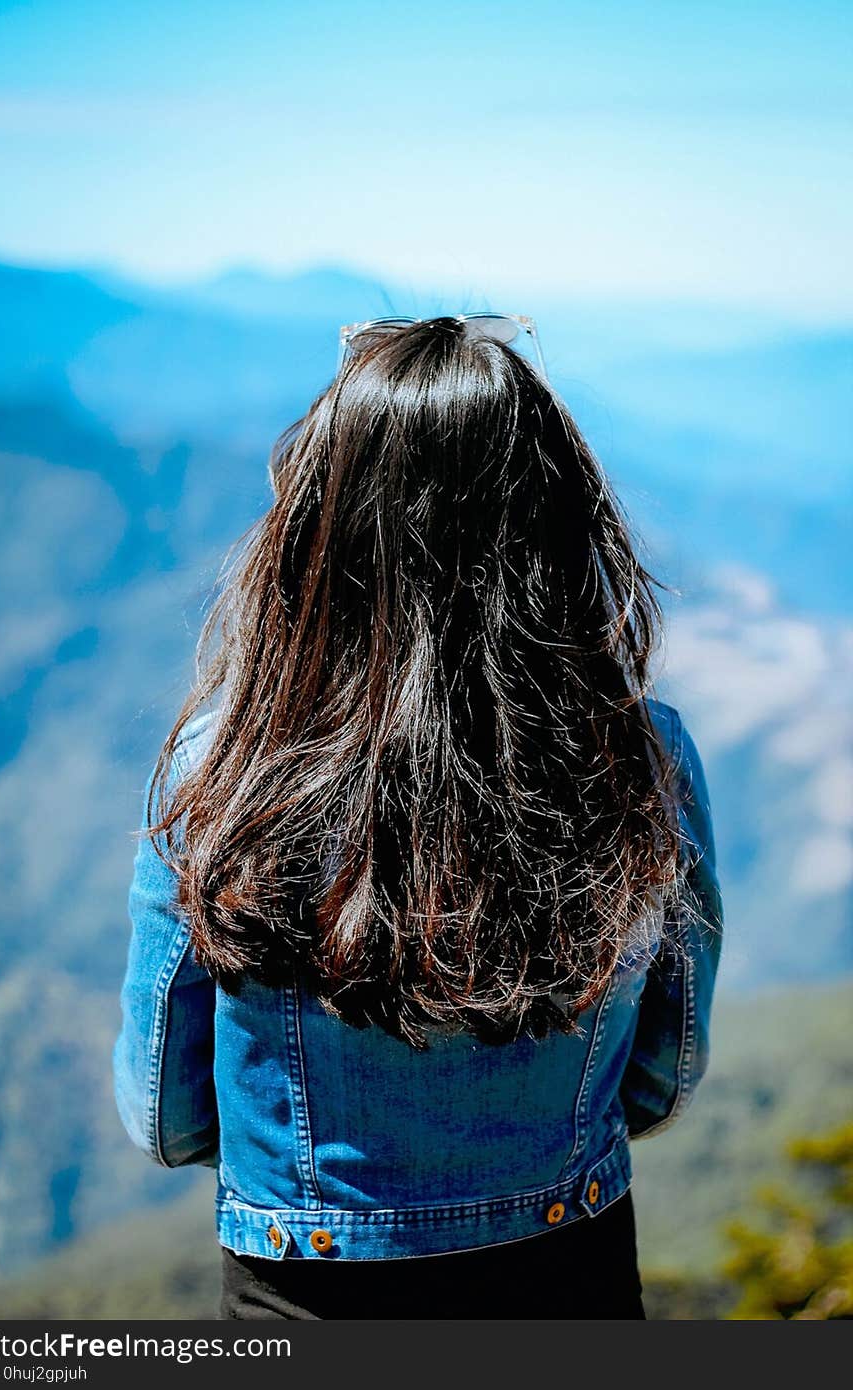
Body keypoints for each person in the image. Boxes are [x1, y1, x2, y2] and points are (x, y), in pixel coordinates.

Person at [113, 314, 723, 1320]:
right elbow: (664, 1071)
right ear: (556, 524)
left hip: (300, 1285)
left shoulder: (219, 765)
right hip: (569, 1272)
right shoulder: (641, 755)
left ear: (317, 530)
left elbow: (165, 1116)